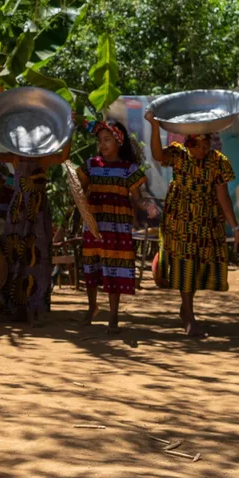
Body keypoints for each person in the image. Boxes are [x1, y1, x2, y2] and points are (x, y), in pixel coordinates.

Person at [145, 113, 239, 337]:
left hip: (206, 221)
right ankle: (189, 317)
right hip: (179, 221)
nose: (205, 148)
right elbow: (157, 155)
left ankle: (186, 308)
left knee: (197, 266)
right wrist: (154, 126)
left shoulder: (218, 161)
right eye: (200, 144)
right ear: (189, 144)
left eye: (208, 142)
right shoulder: (178, 155)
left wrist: (235, 226)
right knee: (184, 265)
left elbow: (223, 196)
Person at [0, 134, 68, 326]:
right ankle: (15, 308)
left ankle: (34, 310)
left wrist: (69, 130)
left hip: (38, 211)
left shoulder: (44, 159)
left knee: (37, 258)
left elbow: (63, 157)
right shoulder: (15, 158)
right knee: (14, 256)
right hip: (18, 212)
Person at [78, 120, 156, 333]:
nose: (102, 145)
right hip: (94, 223)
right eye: (100, 140)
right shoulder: (91, 165)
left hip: (118, 225)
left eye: (107, 140)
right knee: (91, 266)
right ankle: (92, 306)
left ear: (118, 142)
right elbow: (79, 191)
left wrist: (147, 205)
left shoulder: (129, 169)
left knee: (115, 268)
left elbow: (137, 199)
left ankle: (113, 315)